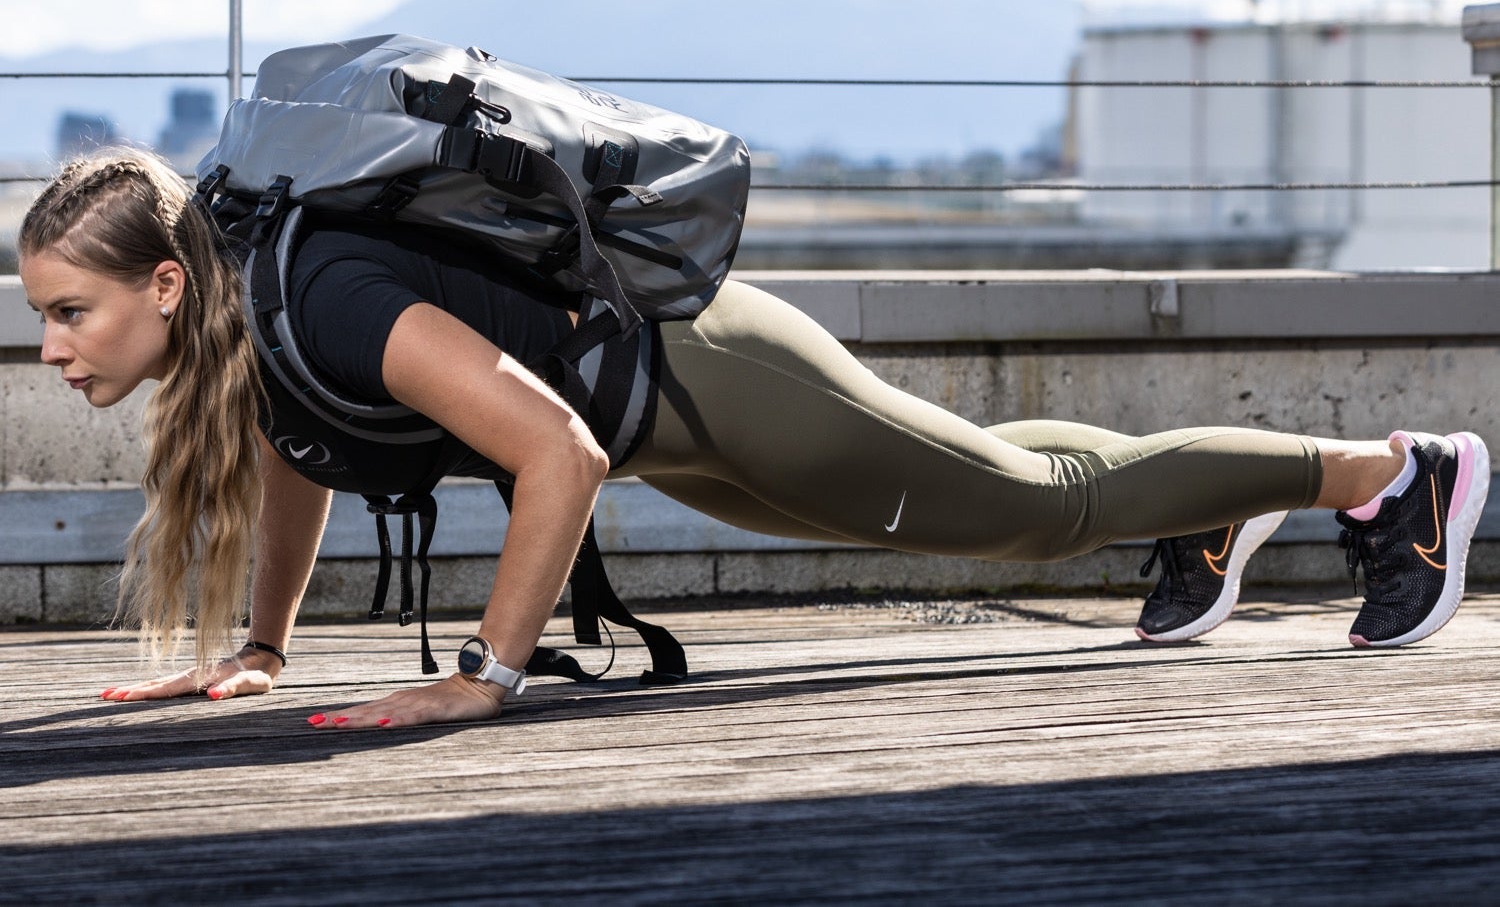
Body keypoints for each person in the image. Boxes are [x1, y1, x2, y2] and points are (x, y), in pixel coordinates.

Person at [17, 150, 1489, 731]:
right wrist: (264, 648)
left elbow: (559, 463)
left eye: (69, 311)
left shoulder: (318, 292)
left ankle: (1387, 476)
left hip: (706, 369)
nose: (50, 346)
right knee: (964, 487)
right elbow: (300, 453)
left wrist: (485, 680)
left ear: (160, 283)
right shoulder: (251, 313)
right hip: (667, 411)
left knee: (1027, 512)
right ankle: (1195, 505)